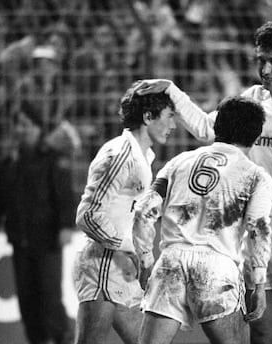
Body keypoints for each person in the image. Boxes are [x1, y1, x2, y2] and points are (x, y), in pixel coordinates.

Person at [133, 20, 272, 344]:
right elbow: (207, 129)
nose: (265, 69)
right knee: (262, 337)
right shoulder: (252, 101)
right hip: (257, 231)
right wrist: (171, 90)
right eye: (260, 61)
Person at [132, 96, 272, 344]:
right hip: (217, 268)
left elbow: (143, 210)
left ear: (217, 126)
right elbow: (257, 231)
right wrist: (257, 283)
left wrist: (145, 260)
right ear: (256, 135)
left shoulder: (178, 162)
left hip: (171, 263)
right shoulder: (256, 176)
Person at [73, 84, 176, 344]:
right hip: (104, 266)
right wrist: (126, 248)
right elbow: (87, 215)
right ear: (148, 117)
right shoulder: (120, 154)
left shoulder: (142, 156)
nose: (173, 126)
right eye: (169, 116)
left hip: (123, 269)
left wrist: (142, 257)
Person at [0, 102, 76, 344]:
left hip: (47, 241)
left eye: (26, 124)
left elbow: (64, 194)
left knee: (50, 299)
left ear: (37, 127)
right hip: (21, 241)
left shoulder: (52, 159)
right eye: (18, 125)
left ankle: (62, 338)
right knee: (28, 303)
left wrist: (65, 225)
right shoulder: (10, 162)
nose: (22, 130)